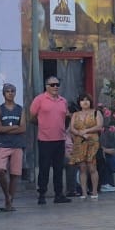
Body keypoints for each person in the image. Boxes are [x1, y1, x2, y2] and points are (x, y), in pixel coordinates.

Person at [29, 76, 71, 204]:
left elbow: (67, 116)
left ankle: (59, 194)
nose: (55, 87)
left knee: (59, 167)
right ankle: (42, 194)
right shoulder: (39, 99)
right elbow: (32, 117)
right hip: (45, 139)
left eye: (57, 84)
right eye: (52, 85)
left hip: (60, 139)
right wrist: (43, 125)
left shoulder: (63, 101)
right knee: (44, 167)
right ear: (46, 86)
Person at [0, 83, 26, 213]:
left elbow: (23, 128)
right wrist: (14, 128)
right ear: (4, 94)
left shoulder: (20, 109)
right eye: (7, 91)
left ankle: (10, 202)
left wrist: (6, 129)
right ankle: (7, 195)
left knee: (15, 174)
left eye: (12, 91)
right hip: (3, 144)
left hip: (17, 145)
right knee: (0, 170)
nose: (10, 93)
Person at [67, 94, 102, 200]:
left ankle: (94, 191)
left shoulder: (96, 112)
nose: (85, 102)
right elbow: (72, 129)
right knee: (82, 168)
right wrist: (81, 134)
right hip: (79, 142)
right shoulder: (75, 115)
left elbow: (99, 126)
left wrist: (87, 131)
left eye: (87, 100)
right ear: (79, 103)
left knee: (92, 166)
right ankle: (83, 192)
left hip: (92, 141)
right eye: (82, 100)